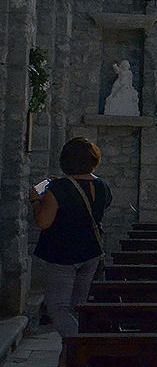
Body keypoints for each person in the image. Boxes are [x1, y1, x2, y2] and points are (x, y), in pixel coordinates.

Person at [29, 137, 111, 338]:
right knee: (76, 307)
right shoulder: (102, 185)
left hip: (64, 253)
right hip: (91, 251)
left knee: (57, 308)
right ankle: (68, 358)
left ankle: (83, 345)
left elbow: (43, 222)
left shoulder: (59, 189)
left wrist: (34, 201)